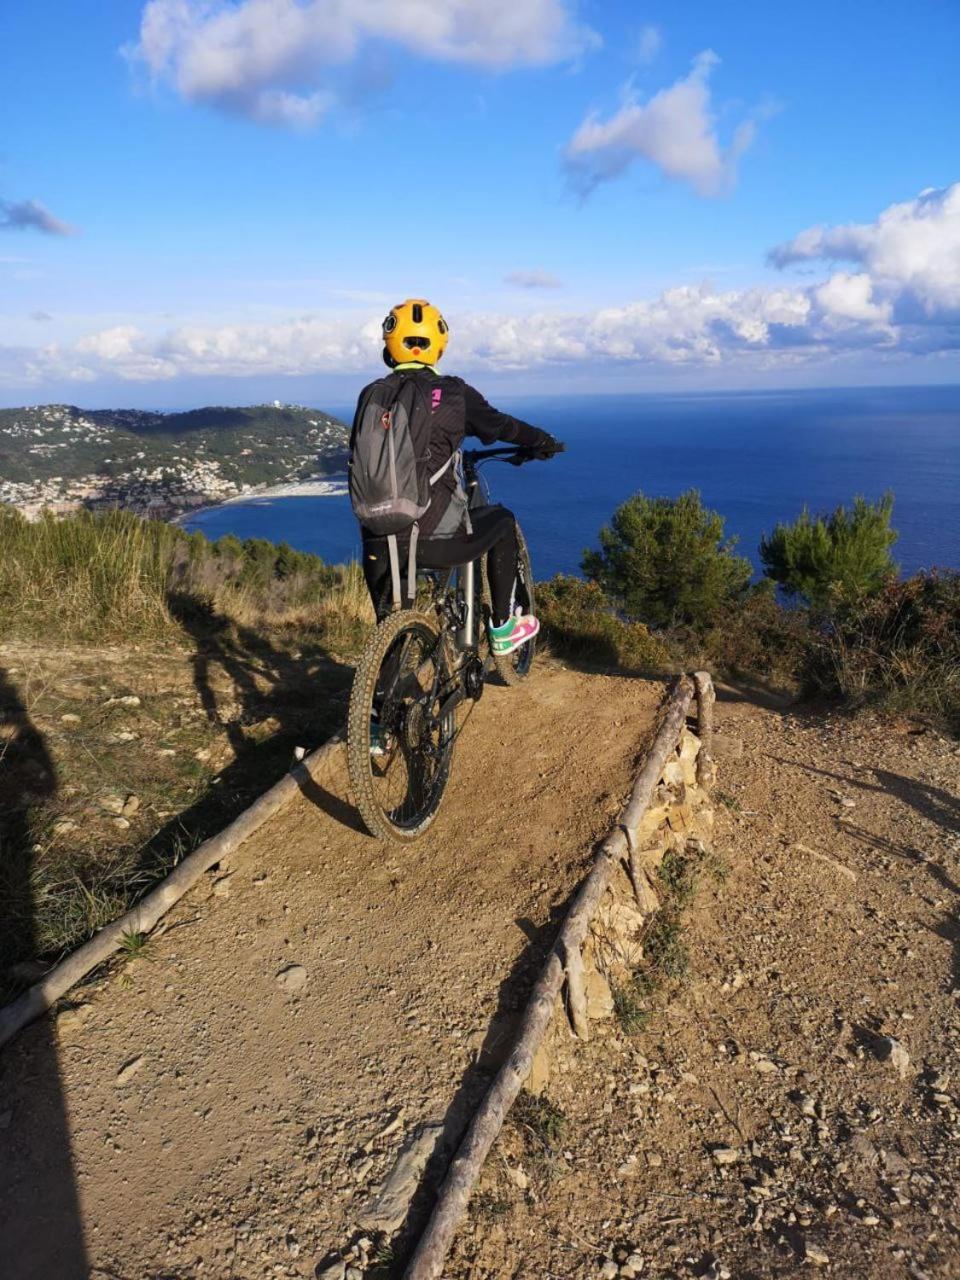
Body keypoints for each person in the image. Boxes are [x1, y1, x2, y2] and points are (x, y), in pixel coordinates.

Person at [352, 298, 562, 657]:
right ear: (438, 346)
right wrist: (540, 441)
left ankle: (378, 705)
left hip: (377, 542)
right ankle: (502, 627)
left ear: (390, 345)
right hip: (436, 540)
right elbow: (501, 426)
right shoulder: (452, 392)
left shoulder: (372, 394)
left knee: (389, 643)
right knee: (503, 521)